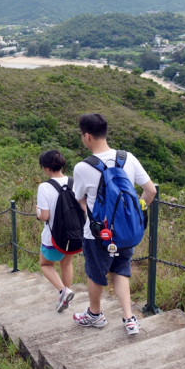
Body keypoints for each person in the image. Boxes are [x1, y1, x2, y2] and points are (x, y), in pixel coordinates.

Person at [71, 113, 157, 334]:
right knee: (121, 270)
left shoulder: (82, 167)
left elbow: (80, 199)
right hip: (126, 232)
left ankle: (95, 314)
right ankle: (129, 318)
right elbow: (151, 191)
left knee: (95, 274)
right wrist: (136, 214)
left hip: (98, 234)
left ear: (87, 136)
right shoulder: (128, 157)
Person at [36, 149, 76, 312]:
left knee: (45, 264)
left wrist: (37, 212)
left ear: (46, 168)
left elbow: (45, 216)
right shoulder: (74, 182)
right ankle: (66, 296)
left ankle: (63, 291)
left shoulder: (44, 187)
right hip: (74, 233)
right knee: (66, 263)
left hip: (54, 236)